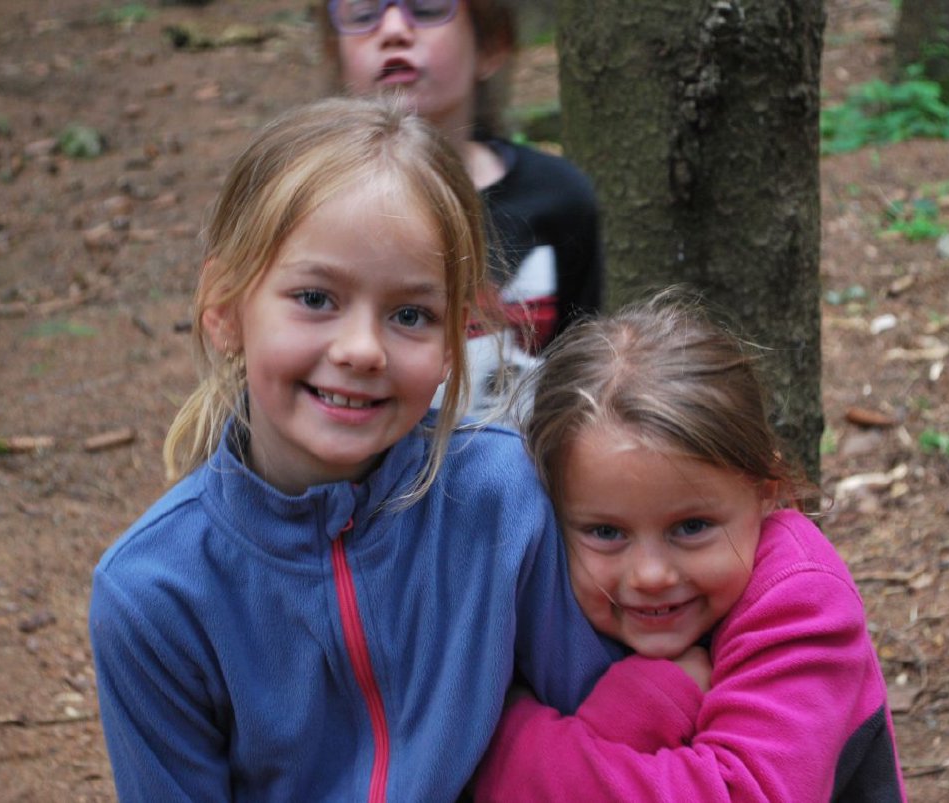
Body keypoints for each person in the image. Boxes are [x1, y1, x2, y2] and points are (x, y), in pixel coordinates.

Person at [87, 96, 614, 802]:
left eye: (410, 314)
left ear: (456, 337)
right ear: (225, 306)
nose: (362, 349)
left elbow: (602, 721)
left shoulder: (507, 499)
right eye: (315, 298)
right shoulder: (154, 592)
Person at [474, 295, 907, 802]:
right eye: (607, 533)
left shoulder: (803, 601)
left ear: (765, 493)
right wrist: (640, 708)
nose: (650, 575)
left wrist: (501, 747)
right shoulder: (532, 577)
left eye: (692, 527)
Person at [319, 0, 604, 414]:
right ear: (336, 53)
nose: (394, 29)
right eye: (363, 12)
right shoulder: (311, 201)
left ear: (490, 44)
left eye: (428, 8)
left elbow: (581, 379)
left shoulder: (559, 197)